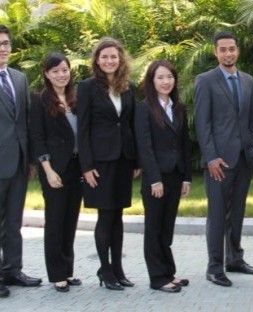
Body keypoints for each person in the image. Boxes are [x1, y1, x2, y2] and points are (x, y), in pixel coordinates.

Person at [194, 31, 253, 287]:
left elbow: (251, 118)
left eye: (232, 48)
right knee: (218, 214)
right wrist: (211, 157)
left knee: (238, 212)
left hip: (243, 158)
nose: (228, 53)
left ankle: (235, 259)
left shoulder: (248, 81)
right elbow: (203, 123)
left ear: (238, 50)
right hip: (218, 161)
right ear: (215, 52)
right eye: (223, 49)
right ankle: (214, 266)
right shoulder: (205, 81)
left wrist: (251, 145)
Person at [77, 37, 140, 291]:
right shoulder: (87, 87)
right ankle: (105, 269)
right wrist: (86, 165)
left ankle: (118, 268)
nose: (109, 61)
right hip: (99, 163)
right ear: (97, 60)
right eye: (104, 57)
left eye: (113, 56)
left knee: (118, 216)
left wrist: (135, 159)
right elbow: (82, 130)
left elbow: (131, 125)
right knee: (105, 216)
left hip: (123, 159)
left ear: (120, 59)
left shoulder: (128, 87)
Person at [135, 60, 192, 293]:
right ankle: (157, 277)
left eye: (169, 76)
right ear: (152, 81)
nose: (165, 81)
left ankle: (169, 271)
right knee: (154, 228)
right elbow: (144, 146)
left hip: (176, 175)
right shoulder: (144, 108)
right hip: (155, 179)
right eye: (160, 77)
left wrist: (187, 177)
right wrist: (154, 178)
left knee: (167, 227)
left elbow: (185, 144)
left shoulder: (178, 107)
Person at [29, 53, 82, 292]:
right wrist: (48, 170)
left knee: (71, 220)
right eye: (56, 71)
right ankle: (57, 274)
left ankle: (68, 271)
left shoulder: (76, 98)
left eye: (64, 70)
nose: (62, 75)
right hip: (54, 169)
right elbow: (38, 139)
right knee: (55, 221)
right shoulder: (40, 100)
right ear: (47, 74)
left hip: (76, 166)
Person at [0, 24, 42, 299]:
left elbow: (26, 121)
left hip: (18, 163)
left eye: (5, 43)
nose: (2, 48)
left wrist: (31, 161)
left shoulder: (19, 78)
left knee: (14, 221)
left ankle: (12, 269)